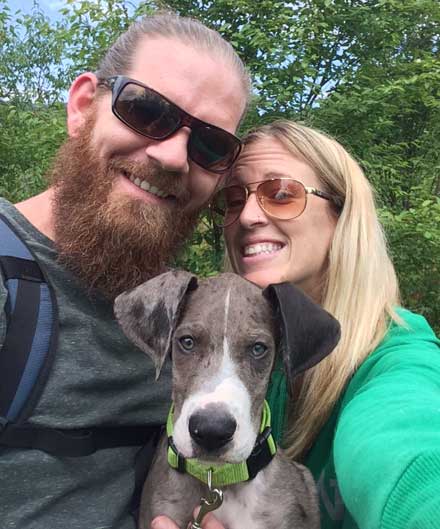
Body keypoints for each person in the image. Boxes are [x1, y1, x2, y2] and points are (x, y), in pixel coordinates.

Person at [0, 12, 250, 529]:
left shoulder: (185, 311)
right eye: (147, 111)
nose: (175, 155)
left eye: (210, 145)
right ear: (82, 105)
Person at [155, 119, 440, 529]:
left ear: (342, 215)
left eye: (282, 194)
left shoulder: (397, 358)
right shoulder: (220, 323)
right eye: (234, 199)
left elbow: (406, 446)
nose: (248, 216)